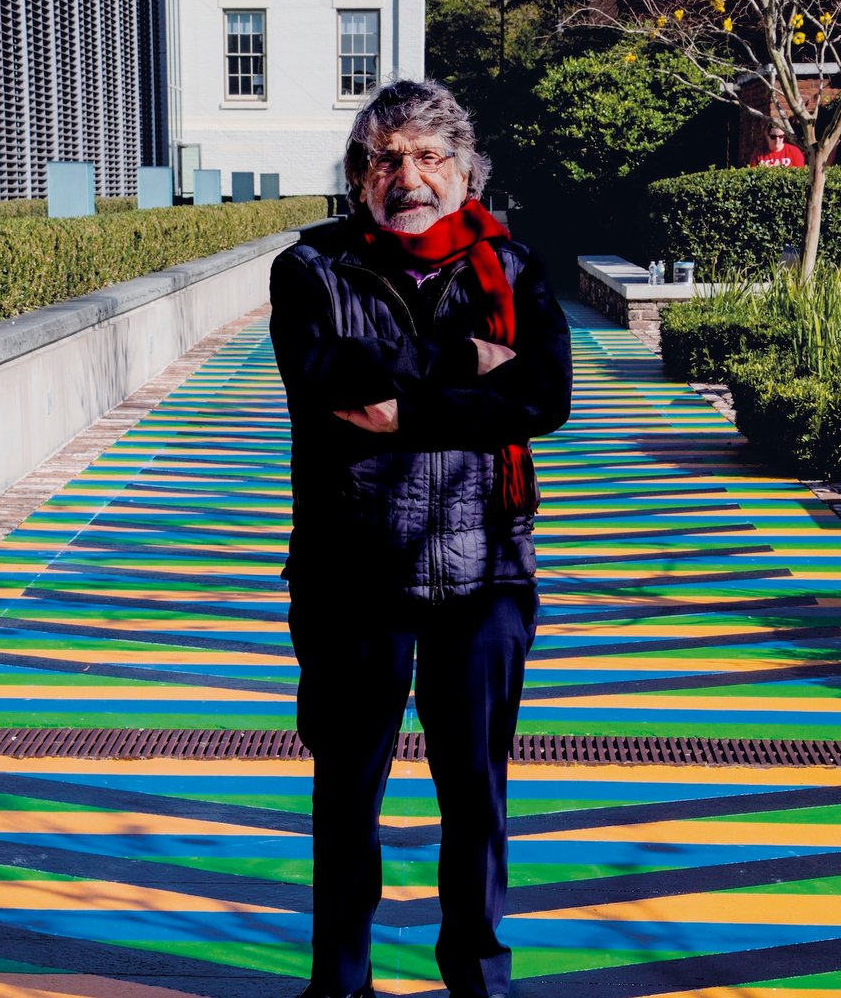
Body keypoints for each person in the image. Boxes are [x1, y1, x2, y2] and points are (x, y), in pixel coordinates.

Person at [269, 79, 573, 998]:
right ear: (360, 176)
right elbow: (335, 386)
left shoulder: (513, 269)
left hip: (487, 575)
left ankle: (479, 980)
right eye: (387, 157)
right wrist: (471, 371)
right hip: (353, 577)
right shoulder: (311, 271)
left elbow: (545, 396)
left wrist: (407, 403)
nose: (409, 176)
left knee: (477, 797)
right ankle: (340, 985)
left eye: (430, 156)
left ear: (466, 170)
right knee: (347, 798)